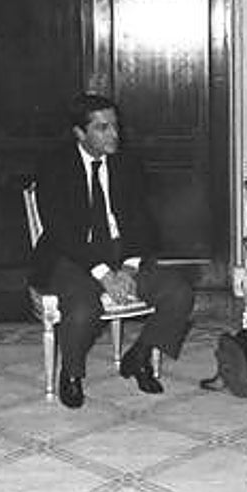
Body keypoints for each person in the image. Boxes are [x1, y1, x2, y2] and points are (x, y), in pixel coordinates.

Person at [30, 94, 193, 410]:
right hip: (72, 255)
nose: (114, 134)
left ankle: (139, 355)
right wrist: (104, 274)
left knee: (179, 293)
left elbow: (142, 222)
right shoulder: (54, 166)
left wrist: (130, 267)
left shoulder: (127, 163)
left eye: (115, 126)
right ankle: (72, 374)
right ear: (80, 133)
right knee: (83, 308)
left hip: (122, 251)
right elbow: (60, 231)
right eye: (102, 128)